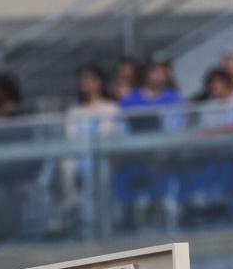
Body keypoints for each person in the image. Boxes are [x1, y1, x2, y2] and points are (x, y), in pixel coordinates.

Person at [61, 66, 120, 229]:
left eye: (90, 79)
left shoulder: (111, 108)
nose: (85, 83)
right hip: (80, 158)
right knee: (67, 166)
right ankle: (78, 216)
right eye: (83, 80)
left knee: (100, 171)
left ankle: (103, 222)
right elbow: (70, 137)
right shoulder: (75, 111)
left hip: (102, 158)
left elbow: (110, 134)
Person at [120, 58, 183, 131]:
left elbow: (177, 128)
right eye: (155, 70)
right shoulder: (130, 99)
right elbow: (123, 129)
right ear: (146, 73)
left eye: (163, 72)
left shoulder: (173, 98)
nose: (159, 75)